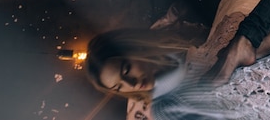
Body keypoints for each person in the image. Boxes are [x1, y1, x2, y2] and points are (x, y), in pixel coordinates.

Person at [85, 27, 245, 119]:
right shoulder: (164, 109)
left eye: (126, 71)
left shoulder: (184, 52)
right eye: (118, 87)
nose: (131, 84)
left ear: (135, 49)